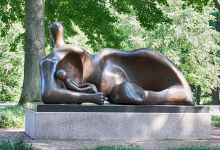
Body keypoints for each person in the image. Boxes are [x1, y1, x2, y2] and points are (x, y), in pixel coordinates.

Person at [40, 21, 195, 105]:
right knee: (128, 93)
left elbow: (49, 93)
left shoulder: (51, 59)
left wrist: (88, 98)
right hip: (111, 80)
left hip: (113, 63)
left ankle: (179, 93)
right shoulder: (50, 60)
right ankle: (178, 94)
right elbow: (49, 94)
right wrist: (89, 98)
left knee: (134, 87)